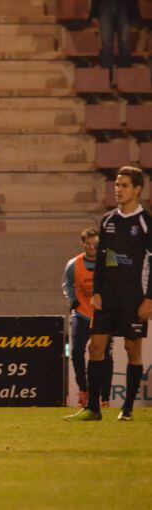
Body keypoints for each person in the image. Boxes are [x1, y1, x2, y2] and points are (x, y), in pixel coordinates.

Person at [65, 166, 152, 422]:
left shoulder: (145, 222)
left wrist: (149, 298)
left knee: (132, 348)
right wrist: (98, 291)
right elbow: (106, 258)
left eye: (124, 185)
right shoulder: (108, 220)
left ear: (137, 190)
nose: (118, 189)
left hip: (134, 296)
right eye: (116, 184)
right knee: (95, 347)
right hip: (109, 297)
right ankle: (94, 407)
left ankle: (126, 409)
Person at [62, 227, 113, 408]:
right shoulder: (73, 264)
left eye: (95, 244)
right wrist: (73, 301)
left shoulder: (109, 259)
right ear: (83, 244)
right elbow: (67, 284)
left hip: (102, 314)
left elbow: (118, 280)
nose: (92, 248)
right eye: (89, 244)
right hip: (81, 313)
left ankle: (105, 398)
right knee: (76, 352)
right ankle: (84, 390)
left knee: (105, 355)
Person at [90, 0, 140, 71]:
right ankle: (107, 78)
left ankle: (124, 76)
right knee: (106, 44)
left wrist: (135, 13)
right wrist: (94, 13)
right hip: (105, 5)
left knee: (124, 43)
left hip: (125, 5)